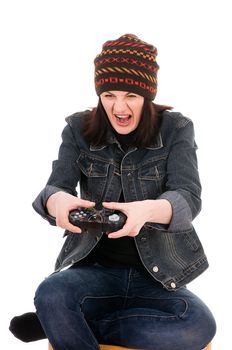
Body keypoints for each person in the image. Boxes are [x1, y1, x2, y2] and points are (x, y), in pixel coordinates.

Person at [31, 34, 216, 350]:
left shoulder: (176, 128)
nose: (119, 107)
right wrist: (56, 201)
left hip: (157, 277)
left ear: (147, 95)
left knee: (197, 326)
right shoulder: (77, 128)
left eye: (131, 95)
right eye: (109, 94)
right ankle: (61, 313)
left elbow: (189, 197)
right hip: (95, 273)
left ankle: (69, 321)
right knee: (51, 293)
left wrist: (146, 210)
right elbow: (53, 189)